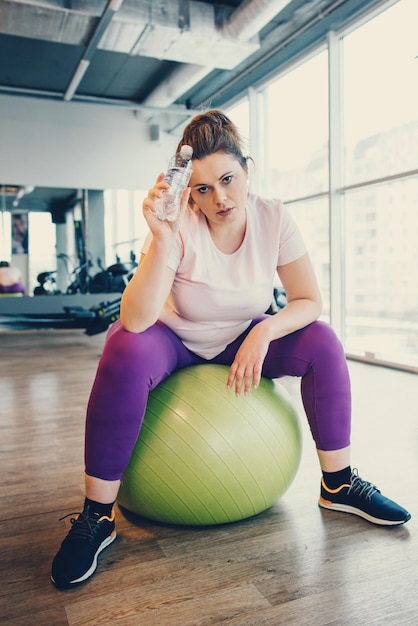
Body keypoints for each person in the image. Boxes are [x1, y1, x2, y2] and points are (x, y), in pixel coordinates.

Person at [51, 110, 411, 589]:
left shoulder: (274, 217)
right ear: (189, 192)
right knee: (123, 343)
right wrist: (161, 238)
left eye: (227, 179)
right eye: (202, 188)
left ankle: (338, 483)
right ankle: (97, 516)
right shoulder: (178, 224)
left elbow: (308, 302)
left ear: (247, 169)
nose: (219, 198)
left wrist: (263, 332)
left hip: (243, 335)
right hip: (176, 339)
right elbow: (137, 317)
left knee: (322, 341)